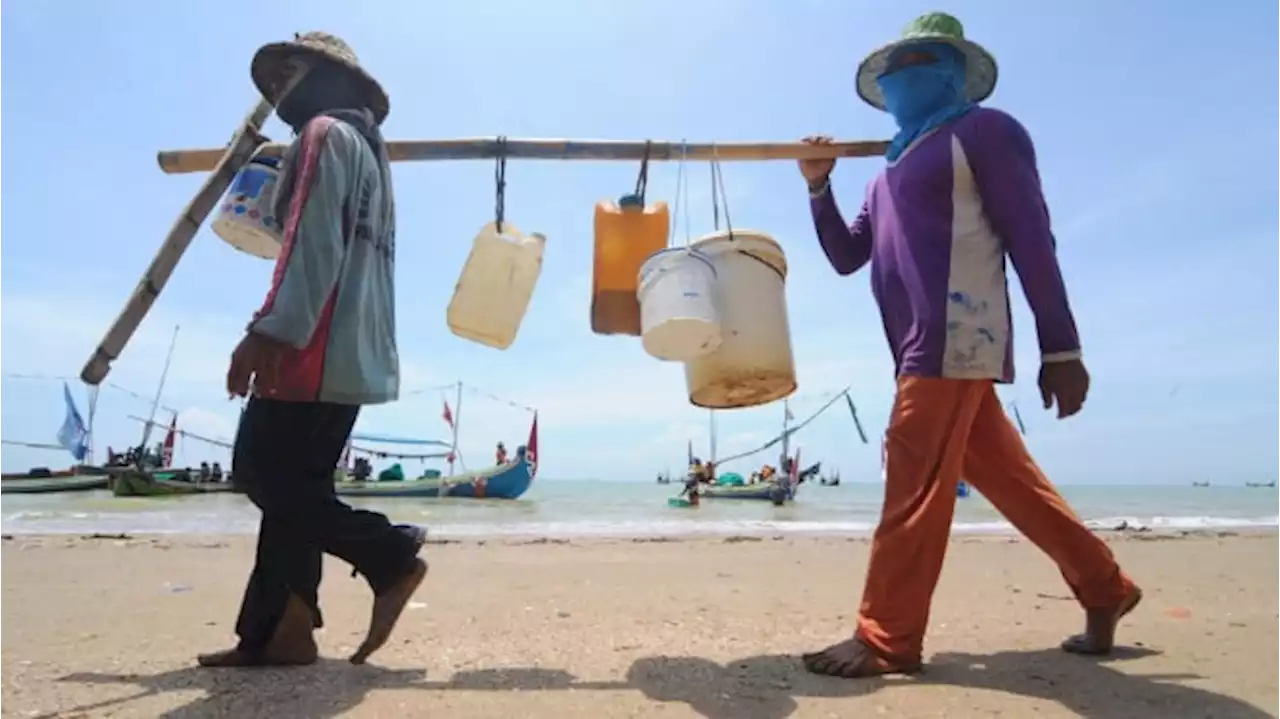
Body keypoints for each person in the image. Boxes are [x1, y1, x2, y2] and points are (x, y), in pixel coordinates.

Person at [796, 13, 1140, 679]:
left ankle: (886, 634)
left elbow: (1031, 235)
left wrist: (1061, 347)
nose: (904, 75)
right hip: (916, 349)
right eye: (895, 65)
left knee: (912, 466)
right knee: (1012, 481)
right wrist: (818, 183)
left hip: (960, 335)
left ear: (954, 71)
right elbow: (846, 255)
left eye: (922, 60)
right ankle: (1107, 587)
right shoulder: (886, 168)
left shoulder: (986, 131)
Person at [198, 32, 427, 669]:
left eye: (287, 73)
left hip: (311, 346)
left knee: (261, 475)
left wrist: (270, 329)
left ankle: (390, 554)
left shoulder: (323, 134)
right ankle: (281, 634)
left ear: (326, 76)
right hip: (355, 350)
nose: (277, 90)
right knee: (297, 490)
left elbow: (313, 241)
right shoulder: (369, 153)